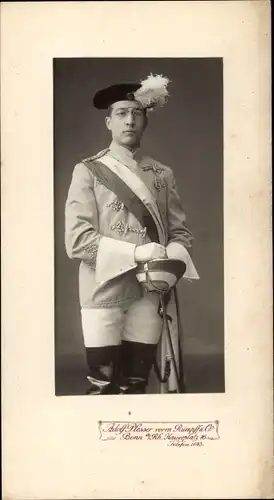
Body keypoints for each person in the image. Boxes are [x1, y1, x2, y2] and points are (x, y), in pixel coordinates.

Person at [65, 74, 199, 395]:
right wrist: (139, 253)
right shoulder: (89, 171)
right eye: (122, 114)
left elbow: (179, 233)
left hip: (149, 294)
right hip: (104, 292)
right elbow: (78, 241)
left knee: (137, 384)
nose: (129, 120)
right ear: (109, 122)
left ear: (145, 122)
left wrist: (172, 261)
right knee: (103, 385)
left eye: (136, 114)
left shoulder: (162, 174)